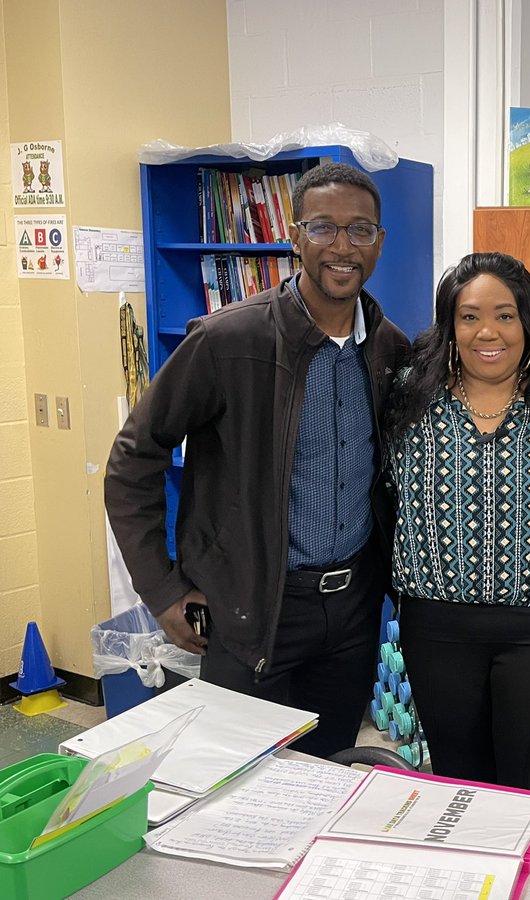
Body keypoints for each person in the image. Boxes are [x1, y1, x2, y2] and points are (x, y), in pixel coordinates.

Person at [105, 162, 410, 759]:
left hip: (353, 614)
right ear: (295, 237)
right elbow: (133, 457)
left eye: (360, 230)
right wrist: (161, 588)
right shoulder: (226, 341)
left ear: (379, 242)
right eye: (323, 227)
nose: (342, 246)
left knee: (329, 771)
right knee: (240, 779)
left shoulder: (391, 349)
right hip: (252, 610)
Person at [384, 252, 530, 831]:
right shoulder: (410, 395)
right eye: (469, 316)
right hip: (437, 629)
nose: (487, 332)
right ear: (450, 325)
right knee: (459, 791)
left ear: (528, 321)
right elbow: (384, 490)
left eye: (505, 315)